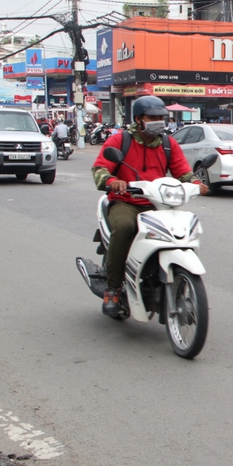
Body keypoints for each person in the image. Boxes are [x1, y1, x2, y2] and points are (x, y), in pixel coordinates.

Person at [91, 95, 209, 316]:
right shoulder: (119, 141)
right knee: (125, 227)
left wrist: (195, 183)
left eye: (161, 117)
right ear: (138, 119)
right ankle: (113, 288)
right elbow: (100, 169)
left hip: (158, 203)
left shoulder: (168, 144)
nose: (158, 121)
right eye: (152, 117)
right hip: (127, 202)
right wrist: (111, 181)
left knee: (179, 230)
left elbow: (182, 171)